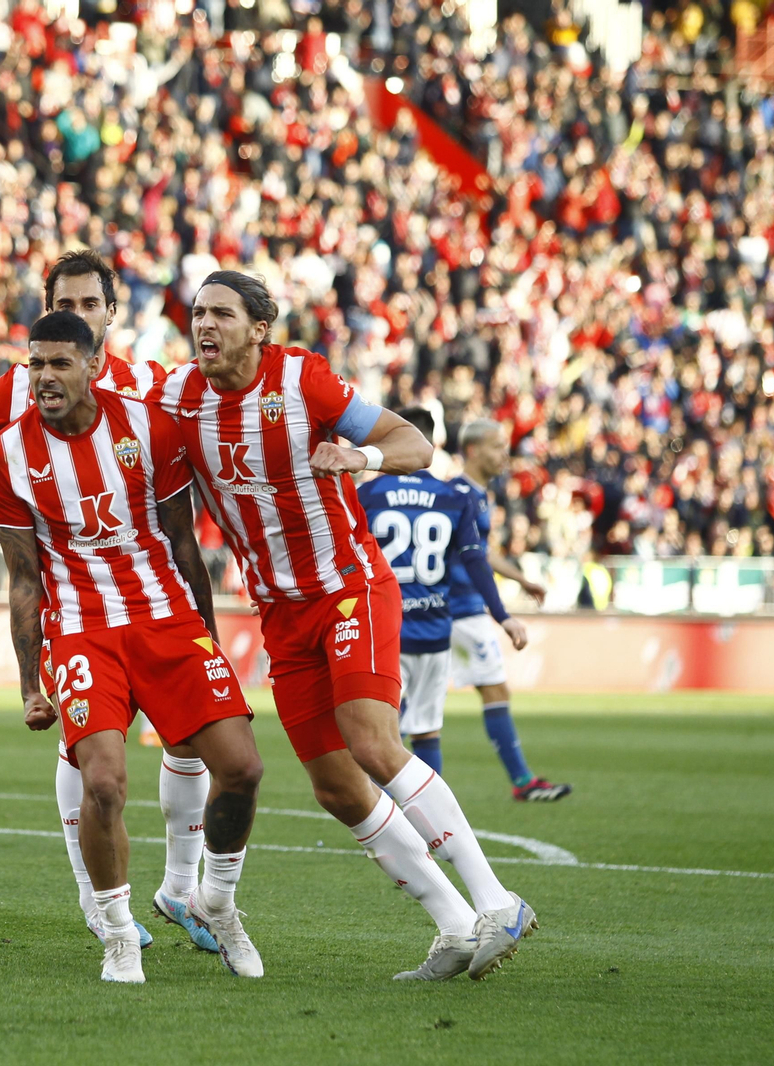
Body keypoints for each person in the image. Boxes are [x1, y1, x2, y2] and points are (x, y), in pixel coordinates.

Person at [151, 272, 537, 981]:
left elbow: (413, 443)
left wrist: (357, 456)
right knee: (335, 786)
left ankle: (497, 901)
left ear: (260, 327)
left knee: (371, 740)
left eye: (222, 314)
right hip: (280, 614)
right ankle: (454, 926)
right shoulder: (176, 398)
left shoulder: (303, 380)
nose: (205, 326)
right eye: (198, 314)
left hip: (349, 589)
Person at [0, 250, 218, 953]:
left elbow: (194, 461)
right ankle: (98, 902)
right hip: (76, 604)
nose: (76, 316)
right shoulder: (21, 385)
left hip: (156, 594)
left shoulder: (151, 384)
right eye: (63, 304)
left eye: (88, 305)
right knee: (87, 753)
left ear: (111, 313)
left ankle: (182, 887)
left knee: (195, 738)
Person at [0, 310, 266, 984]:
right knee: (104, 782)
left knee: (243, 769)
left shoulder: (148, 426)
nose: (46, 378)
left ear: (93, 365)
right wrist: (31, 683)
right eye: (36, 365)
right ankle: (117, 934)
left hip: (167, 621)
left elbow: (182, 543)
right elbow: (24, 578)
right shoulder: (10, 454)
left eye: (60, 363)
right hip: (82, 631)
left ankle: (217, 903)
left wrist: (206, 636)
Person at [357, 408, 529, 775]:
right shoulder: (450, 497)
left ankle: (384, 822)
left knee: (377, 734)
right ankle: (431, 824)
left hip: (384, 627)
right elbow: (475, 560)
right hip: (436, 627)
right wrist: (504, 616)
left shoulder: (367, 495)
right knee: (427, 732)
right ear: (430, 444)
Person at [452, 419, 573, 801]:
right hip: (459, 608)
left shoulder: (475, 495)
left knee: (417, 700)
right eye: (496, 446)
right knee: (492, 689)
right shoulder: (459, 494)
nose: (505, 454)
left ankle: (373, 780)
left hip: (454, 608)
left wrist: (521, 579)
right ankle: (522, 782)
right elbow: (469, 556)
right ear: (472, 451)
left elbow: (481, 553)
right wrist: (501, 612)